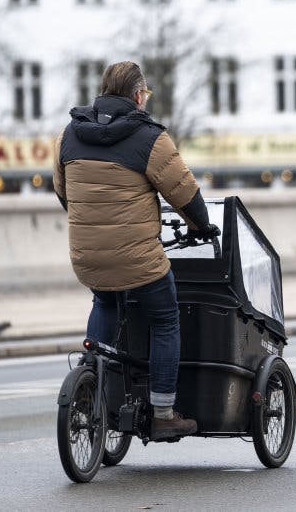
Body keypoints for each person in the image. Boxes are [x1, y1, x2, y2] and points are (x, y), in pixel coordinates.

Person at [52, 61, 217, 441]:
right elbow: (185, 195)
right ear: (139, 95)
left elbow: (64, 194)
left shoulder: (68, 135)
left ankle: (90, 392)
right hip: (137, 257)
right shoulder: (150, 138)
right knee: (165, 317)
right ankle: (162, 411)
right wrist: (202, 227)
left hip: (87, 254)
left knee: (106, 302)